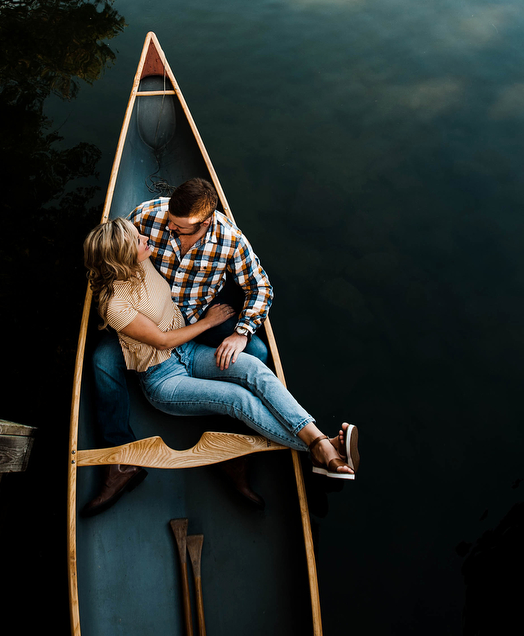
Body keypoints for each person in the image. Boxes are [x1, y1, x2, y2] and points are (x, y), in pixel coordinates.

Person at [81, 217, 360, 512]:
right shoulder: (114, 305)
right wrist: (208, 322)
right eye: (138, 240)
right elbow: (162, 341)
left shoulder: (141, 261)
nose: (145, 238)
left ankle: (320, 441)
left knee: (253, 367)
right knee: (237, 398)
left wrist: (199, 220)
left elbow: (143, 222)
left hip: (188, 352)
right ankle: (317, 450)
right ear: (122, 258)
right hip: (163, 379)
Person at [83, 179, 274, 516]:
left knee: (257, 352)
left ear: (206, 222)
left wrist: (241, 333)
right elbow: (115, 252)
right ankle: (121, 460)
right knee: (101, 360)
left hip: (199, 317)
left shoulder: (230, 241)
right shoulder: (149, 215)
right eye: (169, 220)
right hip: (147, 320)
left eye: (179, 227)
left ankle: (232, 453)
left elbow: (260, 287)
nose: (168, 227)